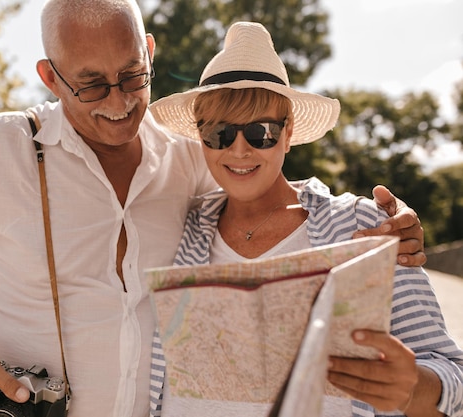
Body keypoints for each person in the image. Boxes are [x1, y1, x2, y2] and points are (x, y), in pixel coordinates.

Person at [0, 2, 426, 417]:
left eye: (132, 76)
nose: (119, 102)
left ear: (149, 50)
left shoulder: (187, 152)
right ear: (50, 76)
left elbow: (252, 174)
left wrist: (369, 218)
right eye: (92, 84)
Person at [149, 21, 463, 417]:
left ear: (288, 131)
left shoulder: (362, 226)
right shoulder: (178, 226)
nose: (239, 150)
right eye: (219, 133)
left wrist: (413, 388)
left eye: (260, 132)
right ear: (200, 137)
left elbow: (453, 376)